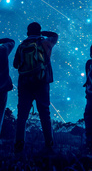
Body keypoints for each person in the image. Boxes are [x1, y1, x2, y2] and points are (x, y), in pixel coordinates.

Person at [13, 22, 58, 154]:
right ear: (39, 31)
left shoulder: (22, 46)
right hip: (42, 81)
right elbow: (55, 35)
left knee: (22, 115)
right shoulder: (45, 42)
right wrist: (42, 34)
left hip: (24, 83)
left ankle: (19, 145)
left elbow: (16, 65)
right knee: (45, 113)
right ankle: (49, 145)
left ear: (27, 32)